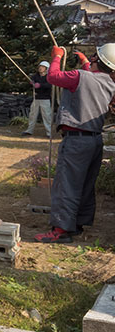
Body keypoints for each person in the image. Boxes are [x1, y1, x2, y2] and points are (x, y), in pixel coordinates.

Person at [35, 44, 115, 243]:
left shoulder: (80, 76)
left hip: (76, 141)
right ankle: (77, 224)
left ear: (98, 59)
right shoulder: (109, 82)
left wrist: (56, 56)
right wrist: (87, 63)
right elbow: (93, 80)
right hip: (95, 141)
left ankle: (61, 230)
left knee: (66, 185)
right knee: (85, 185)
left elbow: (53, 77)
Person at [23, 61, 53, 136]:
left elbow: (49, 85)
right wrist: (31, 82)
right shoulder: (36, 76)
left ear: (46, 69)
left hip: (45, 99)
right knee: (32, 115)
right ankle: (29, 130)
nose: (40, 68)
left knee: (46, 116)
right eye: (40, 66)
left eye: (42, 67)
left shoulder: (49, 77)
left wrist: (40, 85)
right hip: (36, 98)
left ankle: (49, 132)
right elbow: (32, 81)